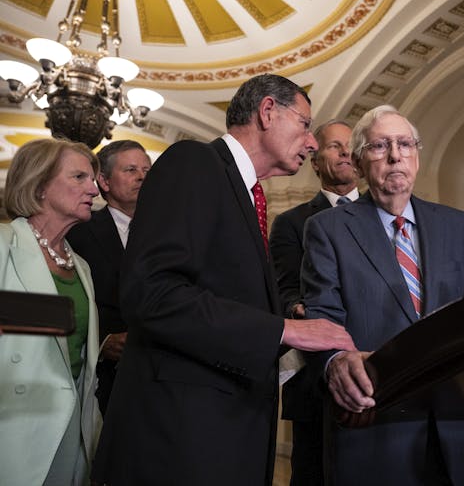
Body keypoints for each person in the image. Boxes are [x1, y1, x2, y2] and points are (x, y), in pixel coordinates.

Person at [91, 74, 355, 485]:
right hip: (179, 442)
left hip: (222, 435)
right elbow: (152, 294)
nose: (313, 143)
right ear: (268, 111)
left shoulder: (248, 195)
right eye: (305, 124)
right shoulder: (194, 162)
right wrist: (284, 329)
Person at [300, 105, 464, 485]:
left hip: (451, 420)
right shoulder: (327, 229)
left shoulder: (456, 225)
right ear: (358, 162)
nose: (396, 155)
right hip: (372, 420)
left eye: (404, 144)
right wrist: (336, 362)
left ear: (416, 155)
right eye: (380, 146)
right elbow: (322, 316)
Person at [0, 138, 101, 485]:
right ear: (40, 185)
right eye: (79, 178)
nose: (94, 189)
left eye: (93, 179)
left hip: (72, 426)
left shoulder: (83, 267)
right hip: (13, 427)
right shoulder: (2, 246)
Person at [269, 120, 359, 485]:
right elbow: (285, 289)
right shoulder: (291, 223)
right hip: (316, 374)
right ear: (315, 161)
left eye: (351, 146)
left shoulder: (383, 215)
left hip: (379, 364)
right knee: (314, 472)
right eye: (334, 146)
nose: (345, 153)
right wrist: (298, 310)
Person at [67, 139, 151, 415]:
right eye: (130, 170)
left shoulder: (172, 235)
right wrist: (102, 342)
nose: (142, 176)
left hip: (158, 380)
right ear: (103, 181)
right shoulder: (77, 232)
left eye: (147, 170)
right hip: (102, 382)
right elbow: (68, 302)